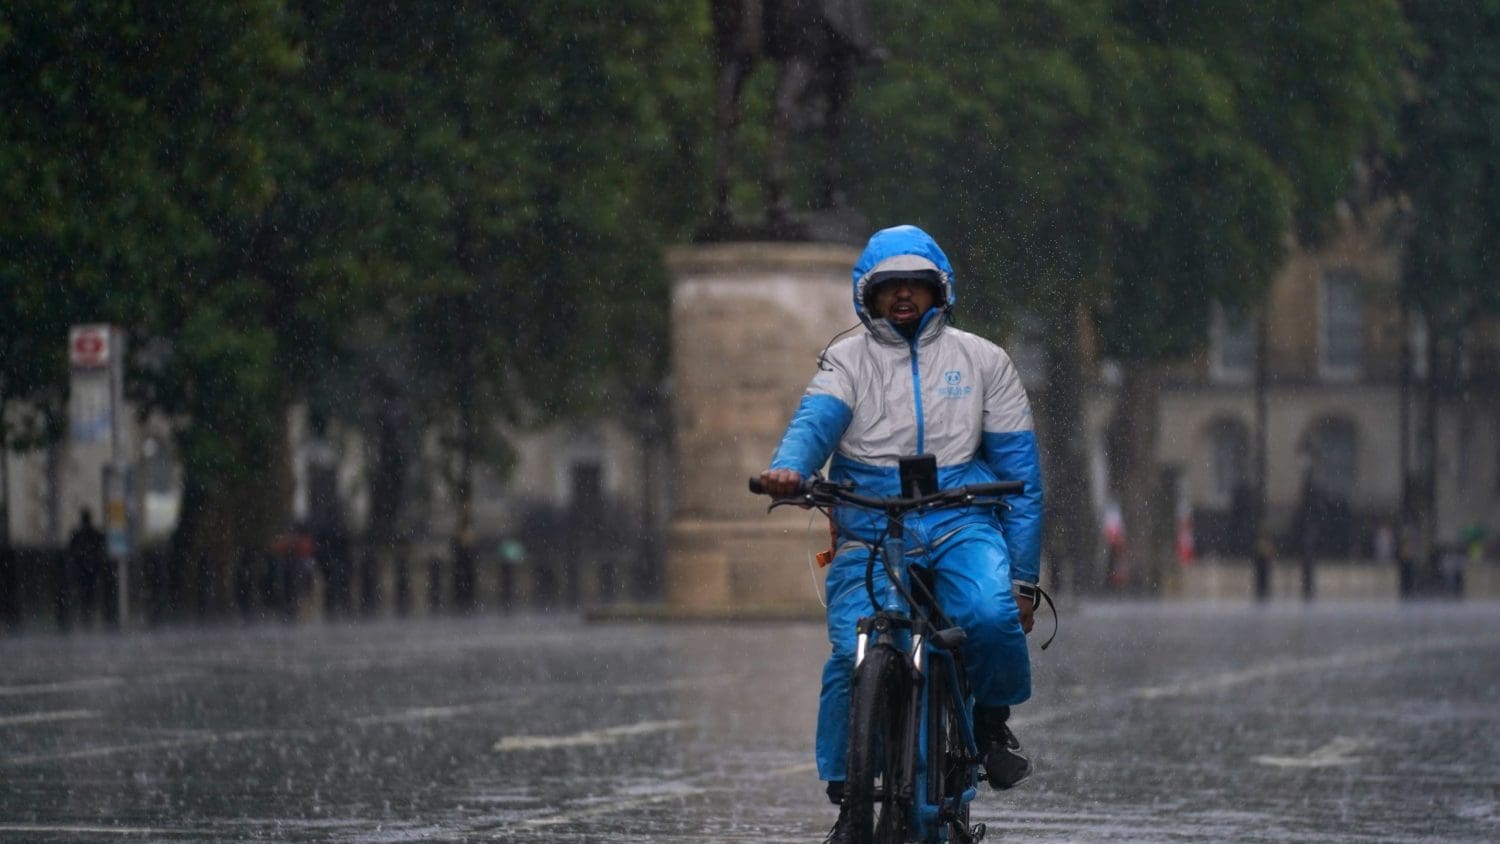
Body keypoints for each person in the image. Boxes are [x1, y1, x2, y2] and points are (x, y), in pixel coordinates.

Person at [758, 224, 1044, 842]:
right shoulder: (846, 359)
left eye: (916, 285)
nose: (904, 297)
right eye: (891, 288)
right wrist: (790, 469)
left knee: (990, 615)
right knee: (850, 653)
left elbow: (1021, 473)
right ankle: (849, 795)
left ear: (939, 290)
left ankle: (992, 723)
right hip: (871, 529)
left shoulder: (984, 360)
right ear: (870, 295)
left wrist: (1023, 577)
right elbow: (816, 421)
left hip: (960, 520)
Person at [67, 508, 108, 628]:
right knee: (89, 594)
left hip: (83, 570)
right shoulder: (94, 535)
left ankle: (86, 616)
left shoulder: (78, 535)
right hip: (91, 569)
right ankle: (88, 616)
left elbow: (72, 552)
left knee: (84, 594)